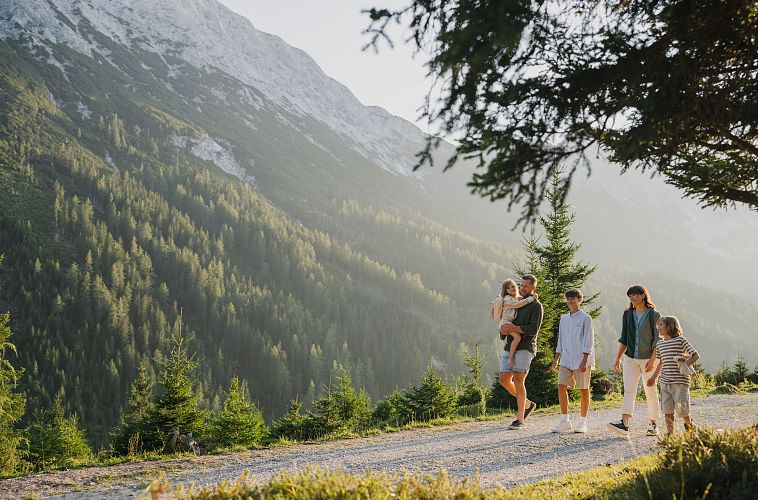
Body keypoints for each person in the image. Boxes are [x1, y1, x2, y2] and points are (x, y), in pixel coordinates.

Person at [608, 285, 662, 437]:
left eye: (636, 295)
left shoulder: (654, 315)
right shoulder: (627, 314)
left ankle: (653, 424)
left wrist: (653, 360)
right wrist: (618, 358)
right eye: (630, 295)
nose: (633, 298)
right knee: (629, 390)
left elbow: (658, 340)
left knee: (650, 389)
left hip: (649, 359)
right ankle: (624, 424)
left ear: (643, 296)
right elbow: (624, 338)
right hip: (630, 358)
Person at [498, 274, 544, 430]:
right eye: (521, 285)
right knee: (504, 379)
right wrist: (504, 329)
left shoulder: (536, 306)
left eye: (526, 286)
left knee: (518, 380)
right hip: (510, 345)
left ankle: (520, 420)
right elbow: (505, 321)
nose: (522, 288)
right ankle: (527, 404)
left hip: (526, 347)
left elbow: (532, 330)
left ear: (533, 287)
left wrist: (512, 328)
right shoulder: (515, 301)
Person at [550, 288, 594, 433]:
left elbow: (589, 341)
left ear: (579, 300)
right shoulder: (564, 319)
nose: (570, 301)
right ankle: (565, 421)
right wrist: (556, 360)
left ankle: (582, 422)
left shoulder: (586, 318)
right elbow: (560, 341)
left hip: (581, 360)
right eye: (568, 298)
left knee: (583, 390)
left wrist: (584, 360)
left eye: (573, 298)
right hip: (566, 359)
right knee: (561, 386)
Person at [646, 315, 699, 435]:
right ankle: (670, 434)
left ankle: (689, 425)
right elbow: (661, 363)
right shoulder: (659, 344)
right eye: (657, 325)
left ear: (670, 326)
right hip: (665, 382)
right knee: (667, 409)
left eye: (661, 324)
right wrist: (653, 377)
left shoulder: (680, 340)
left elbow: (695, 355)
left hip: (680, 382)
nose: (658, 327)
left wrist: (686, 365)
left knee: (682, 409)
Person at [491, 279, 537, 368]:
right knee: (517, 337)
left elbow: (517, 301)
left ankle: (511, 357)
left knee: (516, 337)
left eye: (513, 286)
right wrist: (531, 298)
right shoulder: (507, 299)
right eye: (509, 288)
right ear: (506, 291)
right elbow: (518, 304)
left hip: (508, 323)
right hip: (505, 323)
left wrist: (520, 298)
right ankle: (510, 358)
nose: (513, 288)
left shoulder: (512, 298)